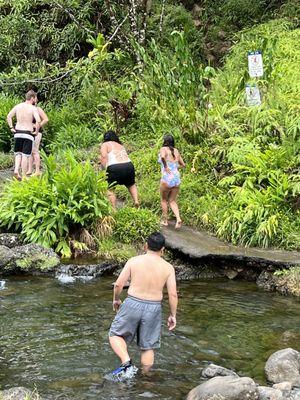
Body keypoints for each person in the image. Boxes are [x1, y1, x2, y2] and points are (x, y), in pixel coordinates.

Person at [108, 232, 178, 379]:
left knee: (115, 334)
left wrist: (116, 299)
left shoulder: (134, 261)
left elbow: (119, 284)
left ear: (145, 246)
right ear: (162, 250)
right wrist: (173, 315)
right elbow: (172, 294)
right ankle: (145, 380)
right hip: (154, 308)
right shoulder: (168, 268)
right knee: (147, 346)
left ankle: (126, 363)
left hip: (133, 302)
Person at [100, 130, 139, 209]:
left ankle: (113, 209)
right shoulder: (120, 145)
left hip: (115, 168)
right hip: (129, 166)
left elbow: (104, 157)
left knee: (110, 189)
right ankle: (136, 201)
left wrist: (103, 170)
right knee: (131, 184)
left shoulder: (105, 144)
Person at [7, 90, 41, 180]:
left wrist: (11, 127)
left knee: (18, 154)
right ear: (32, 98)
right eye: (35, 98)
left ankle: (16, 170)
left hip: (17, 132)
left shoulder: (18, 106)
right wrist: (36, 131)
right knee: (25, 155)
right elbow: (38, 120)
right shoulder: (33, 108)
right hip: (27, 133)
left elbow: (9, 116)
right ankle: (24, 176)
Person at [159, 135, 185, 229]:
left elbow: (162, 157)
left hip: (167, 178)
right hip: (176, 178)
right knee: (172, 200)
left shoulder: (163, 149)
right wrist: (174, 167)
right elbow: (183, 165)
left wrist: (166, 166)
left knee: (164, 200)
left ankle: (165, 221)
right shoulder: (176, 151)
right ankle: (178, 218)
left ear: (165, 141)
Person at [27, 99, 49, 176]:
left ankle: (37, 170)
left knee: (35, 151)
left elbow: (46, 119)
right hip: (28, 132)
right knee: (29, 151)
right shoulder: (28, 109)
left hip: (37, 132)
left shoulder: (38, 109)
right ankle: (29, 169)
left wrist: (37, 126)